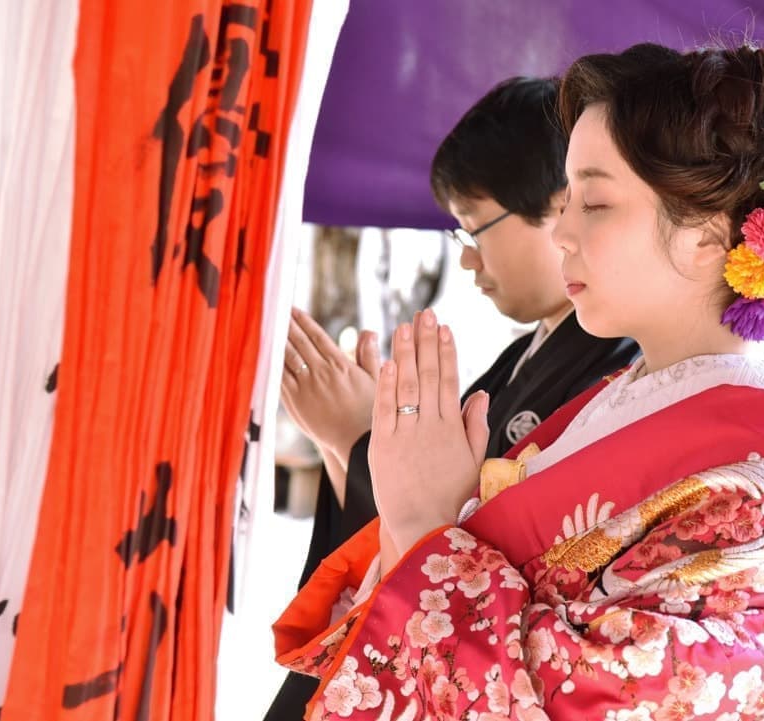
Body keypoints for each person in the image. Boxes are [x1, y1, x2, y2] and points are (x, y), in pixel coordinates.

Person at [273, 43, 764, 720]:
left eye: (593, 201)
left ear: (709, 234)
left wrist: (427, 528)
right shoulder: (624, 395)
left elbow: (630, 698)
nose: (560, 232)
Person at [265, 77, 639, 720]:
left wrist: (357, 441)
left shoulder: (618, 372)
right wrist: (359, 444)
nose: (467, 262)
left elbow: (475, 539)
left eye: (473, 229)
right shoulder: (527, 353)